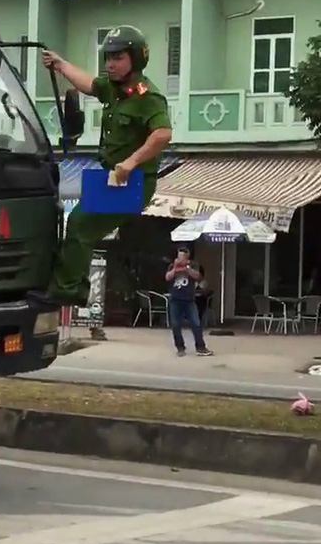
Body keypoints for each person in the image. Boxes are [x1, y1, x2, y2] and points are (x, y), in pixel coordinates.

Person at [28, 25, 173, 307]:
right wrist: (61, 65)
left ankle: (67, 289)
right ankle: (74, 284)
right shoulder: (114, 89)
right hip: (110, 175)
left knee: (80, 224)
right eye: (108, 57)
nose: (110, 64)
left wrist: (130, 163)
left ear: (136, 58)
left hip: (132, 180)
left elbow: (162, 134)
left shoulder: (147, 97)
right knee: (72, 223)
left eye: (118, 57)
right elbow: (89, 84)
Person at [165, 247, 213, 357]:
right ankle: (180, 347)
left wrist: (186, 268)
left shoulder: (193, 265)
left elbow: (197, 276)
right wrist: (175, 268)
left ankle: (201, 347)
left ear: (187, 257)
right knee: (176, 325)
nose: (180, 258)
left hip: (189, 300)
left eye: (182, 256)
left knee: (196, 324)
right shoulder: (173, 265)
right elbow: (168, 277)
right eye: (179, 256)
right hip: (175, 299)